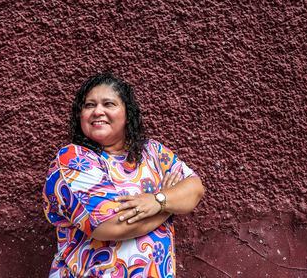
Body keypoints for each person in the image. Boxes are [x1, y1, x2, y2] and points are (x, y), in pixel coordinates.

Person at [43, 73, 205, 277]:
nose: (97, 111)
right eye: (89, 105)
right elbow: (109, 225)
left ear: (127, 114)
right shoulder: (74, 160)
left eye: (108, 104)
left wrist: (157, 200)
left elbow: (195, 189)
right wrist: (168, 206)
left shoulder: (152, 151)